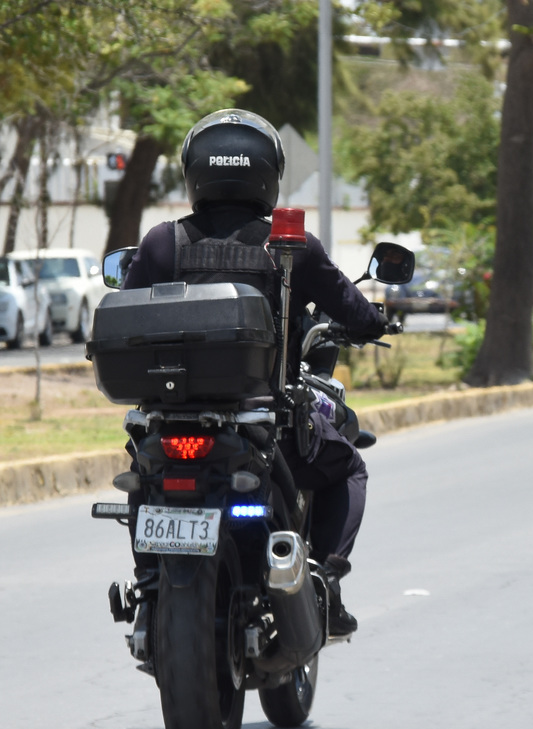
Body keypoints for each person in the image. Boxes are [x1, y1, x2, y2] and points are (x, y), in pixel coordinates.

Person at [122, 108, 389, 635]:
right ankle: (327, 582)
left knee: (143, 471)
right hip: (267, 429)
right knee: (349, 466)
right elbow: (357, 314)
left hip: (172, 419)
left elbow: (124, 318)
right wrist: (378, 321)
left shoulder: (161, 242)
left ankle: (148, 582)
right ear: (267, 173)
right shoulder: (289, 247)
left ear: (193, 171)